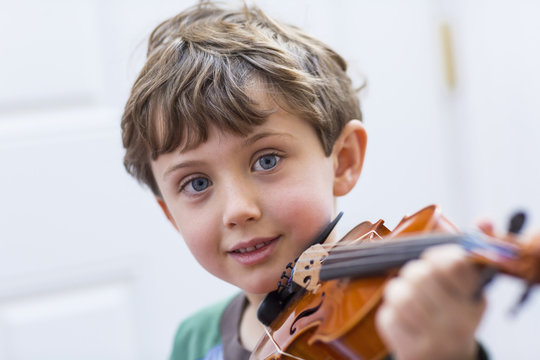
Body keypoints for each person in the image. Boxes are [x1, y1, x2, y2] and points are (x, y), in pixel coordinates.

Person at [121, 2, 491, 359]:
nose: (238, 210)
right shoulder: (194, 340)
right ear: (171, 214)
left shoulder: (400, 322)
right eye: (197, 184)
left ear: (343, 160)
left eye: (266, 160)